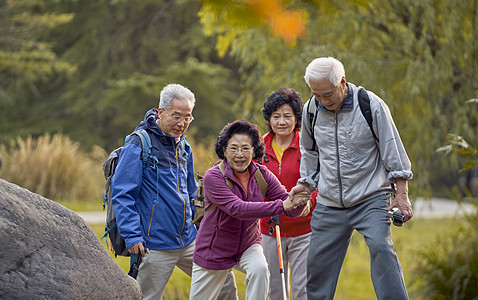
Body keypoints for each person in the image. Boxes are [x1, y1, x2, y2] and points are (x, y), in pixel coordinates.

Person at [291, 57, 413, 299]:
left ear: (342, 83)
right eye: (317, 95)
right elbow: (310, 152)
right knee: (317, 268)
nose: (323, 101)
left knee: (381, 247)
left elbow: (393, 150)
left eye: (328, 94)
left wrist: (402, 194)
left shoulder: (370, 105)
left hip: (370, 197)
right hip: (329, 202)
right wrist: (305, 185)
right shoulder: (311, 110)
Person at [111, 83, 237, 299]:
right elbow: (123, 194)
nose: (182, 124)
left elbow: (190, 192)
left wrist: (200, 225)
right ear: (161, 112)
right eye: (177, 116)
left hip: (189, 239)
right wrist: (132, 236)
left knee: (225, 283)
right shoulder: (139, 143)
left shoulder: (184, 146)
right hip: (154, 245)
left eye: (188, 118)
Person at [189, 120, 310, 300]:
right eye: (233, 148)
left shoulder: (262, 174)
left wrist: (300, 201)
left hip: (247, 244)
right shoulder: (213, 177)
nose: (240, 154)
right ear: (224, 150)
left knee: (260, 269)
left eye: (246, 148)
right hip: (214, 250)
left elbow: (288, 206)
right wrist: (283, 205)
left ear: (254, 151)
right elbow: (237, 208)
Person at [259, 88, 317, 300]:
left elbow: (319, 179)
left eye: (287, 116)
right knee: (275, 289)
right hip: (269, 228)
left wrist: (310, 200)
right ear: (269, 119)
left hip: (304, 230)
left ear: (296, 119)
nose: (281, 122)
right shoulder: (259, 147)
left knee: (302, 289)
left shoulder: (308, 145)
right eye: (276, 116)